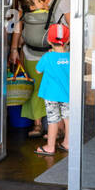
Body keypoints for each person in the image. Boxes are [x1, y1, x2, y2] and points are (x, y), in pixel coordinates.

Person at [10, 0, 69, 139]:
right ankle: (37, 125)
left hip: (51, 54)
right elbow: (19, 24)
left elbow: (70, 26)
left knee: (52, 90)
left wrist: (64, 51)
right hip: (28, 51)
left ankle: (56, 128)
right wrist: (14, 48)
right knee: (33, 88)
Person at [33, 23, 71, 156]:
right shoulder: (72, 57)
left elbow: (38, 71)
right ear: (68, 40)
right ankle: (67, 143)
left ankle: (50, 147)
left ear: (49, 41)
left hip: (51, 95)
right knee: (68, 118)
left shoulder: (47, 57)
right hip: (68, 94)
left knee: (53, 120)